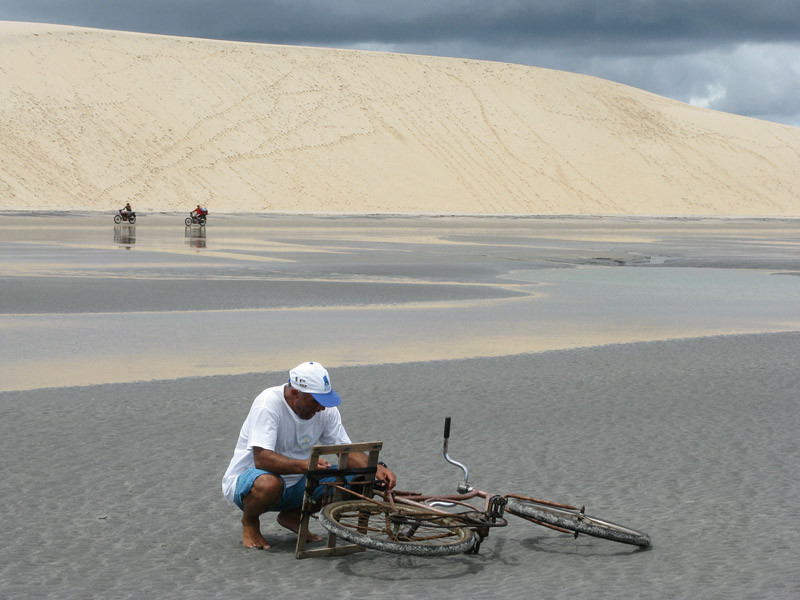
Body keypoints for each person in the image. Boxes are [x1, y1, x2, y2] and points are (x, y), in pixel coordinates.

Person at [222, 361, 397, 549]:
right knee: (269, 483)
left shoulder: (326, 410)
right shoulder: (268, 404)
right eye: (316, 401)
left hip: (299, 482)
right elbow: (262, 458)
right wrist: (304, 466)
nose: (322, 408)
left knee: (361, 478)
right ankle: (250, 522)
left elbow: (347, 452)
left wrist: (376, 467)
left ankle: (293, 516)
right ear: (295, 393)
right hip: (252, 481)